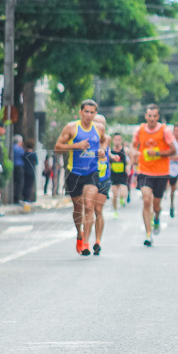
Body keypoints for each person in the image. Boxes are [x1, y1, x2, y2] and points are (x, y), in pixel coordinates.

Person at [53, 99, 106, 255]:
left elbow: (102, 143)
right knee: (78, 209)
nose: (89, 115)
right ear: (81, 112)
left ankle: (86, 242)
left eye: (92, 112)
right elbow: (57, 148)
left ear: (95, 113)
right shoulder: (71, 128)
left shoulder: (99, 128)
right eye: (86, 112)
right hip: (74, 172)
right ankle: (79, 234)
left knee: (89, 205)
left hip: (92, 172)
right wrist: (76, 146)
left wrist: (102, 151)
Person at [132, 104, 176, 247]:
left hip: (161, 173)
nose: (151, 119)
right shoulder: (139, 130)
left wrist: (156, 153)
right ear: (146, 116)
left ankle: (157, 216)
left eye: (154, 116)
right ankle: (148, 234)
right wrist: (134, 155)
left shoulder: (165, 131)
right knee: (146, 200)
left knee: (156, 205)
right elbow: (134, 146)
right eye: (149, 116)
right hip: (144, 171)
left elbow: (173, 150)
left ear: (158, 117)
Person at [91, 114, 111, 254]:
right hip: (89, 177)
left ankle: (98, 240)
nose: (100, 127)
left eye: (102, 124)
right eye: (97, 123)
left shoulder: (106, 139)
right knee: (88, 209)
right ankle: (84, 237)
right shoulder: (87, 138)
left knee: (98, 209)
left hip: (103, 178)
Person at [108, 133, 129, 217]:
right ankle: (115, 210)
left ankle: (122, 199)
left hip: (122, 175)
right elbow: (107, 161)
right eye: (115, 140)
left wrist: (128, 165)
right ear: (113, 140)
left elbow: (131, 159)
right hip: (113, 175)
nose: (117, 141)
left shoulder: (125, 150)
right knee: (114, 195)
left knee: (122, 193)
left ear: (121, 141)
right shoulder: (110, 151)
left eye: (118, 140)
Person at [23, 138, 38, 202]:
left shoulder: (24, 154)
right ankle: (28, 198)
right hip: (32, 171)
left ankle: (24, 197)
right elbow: (36, 162)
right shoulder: (33, 154)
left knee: (25, 184)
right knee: (30, 185)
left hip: (25, 170)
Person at [12, 135, 25, 204]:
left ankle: (14, 197)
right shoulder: (19, 149)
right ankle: (17, 198)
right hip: (19, 167)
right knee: (19, 183)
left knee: (14, 182)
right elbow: (24, 155)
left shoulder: (12, 148)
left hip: (14, 166)